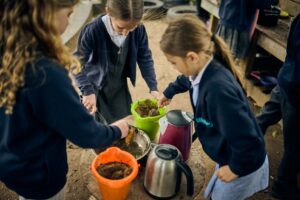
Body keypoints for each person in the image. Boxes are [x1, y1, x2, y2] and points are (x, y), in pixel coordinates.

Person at [0, 0, 129, 199]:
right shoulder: (44, 72)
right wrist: (119, 129)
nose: (69, 22)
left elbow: (32, 109)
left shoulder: (10, 52)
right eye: (68, 14)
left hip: (14, 163)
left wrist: (70, 107)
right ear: (43, 12)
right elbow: (86, 135)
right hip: (42, 178)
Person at [158, 15, 268, 200]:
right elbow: (187, 78)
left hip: (243, 161)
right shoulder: (203, 65)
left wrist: (235, 168)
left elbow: (248, 140)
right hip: (229, 152)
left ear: (192, 57)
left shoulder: (218, 91)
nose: (174, 68)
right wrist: (169, 92)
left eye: (174, 63)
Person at [73, 0, 159, 124]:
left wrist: (153, 86)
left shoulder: (139, 29)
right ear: (108, 11)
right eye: (121, 27)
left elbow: (144, 56)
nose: (125, 33)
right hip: (95, 88)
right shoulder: (93, 30)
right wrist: (87, 91)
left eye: (132, 28)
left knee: (121, 122)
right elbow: (75, 63)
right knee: (98, 126)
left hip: (119, 84)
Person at [268, 14, 300, 200]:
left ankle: (238, 144)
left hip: (286, 79)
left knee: (266, 115)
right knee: (295, 145)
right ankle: (283, 186)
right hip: (295, 91)